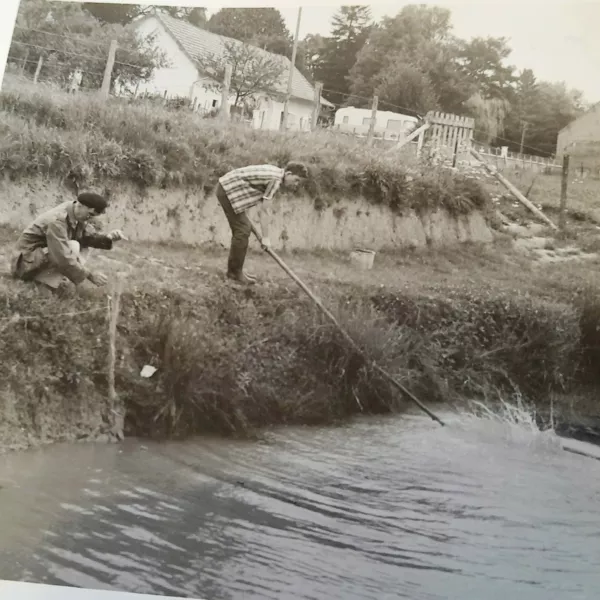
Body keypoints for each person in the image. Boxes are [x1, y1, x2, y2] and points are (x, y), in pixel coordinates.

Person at [216, 161, 309, 284]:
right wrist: (265, 238)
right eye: (296, 180)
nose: (296, 184)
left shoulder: (276, 174)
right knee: (242, 230)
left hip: (227, 188)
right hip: (228, 190)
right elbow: (264, 212)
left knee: (243, 228)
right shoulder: (275, 180)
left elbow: (259, 201)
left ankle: (235, 271)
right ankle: (234, 273)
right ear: (288, 173)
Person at [10, 191, 126, 291]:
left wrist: (109, 237)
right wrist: (90, 275)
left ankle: (54, 280)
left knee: (82, 245)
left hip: (35, 259)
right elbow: (61, 256)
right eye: (90, 214)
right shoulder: (57, 221)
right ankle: (44, 285)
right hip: (23, 265)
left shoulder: (74, 210)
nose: (89, 219)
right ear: (80, 205)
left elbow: (86, 237)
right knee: (73, 246)